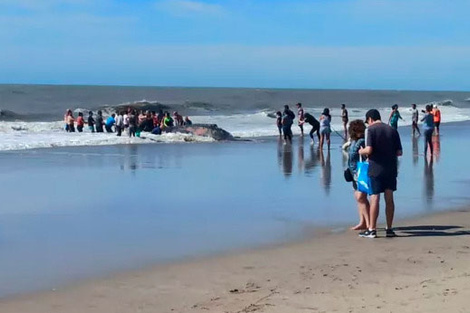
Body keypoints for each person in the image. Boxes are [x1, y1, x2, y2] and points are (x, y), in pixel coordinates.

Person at [359, 109, 402, 238]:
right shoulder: (392, 130)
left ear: (370, 119)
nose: (368, 124)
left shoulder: (371, 130)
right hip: (391, 168)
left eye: (368, 121)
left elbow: (369, 149)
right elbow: (399, 152)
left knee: (374, 198)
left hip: (376, 168)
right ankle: (389, 228)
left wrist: (361, 151)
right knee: (389, 198)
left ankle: (372, 229)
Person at [347, 119, 370, 231]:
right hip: (353, 172)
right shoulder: (353, 141)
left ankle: (369, 222)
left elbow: (366, 153)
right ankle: (362, 222)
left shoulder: (361, 141)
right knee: (358, 198)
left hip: (360, 171)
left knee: (361, 197)